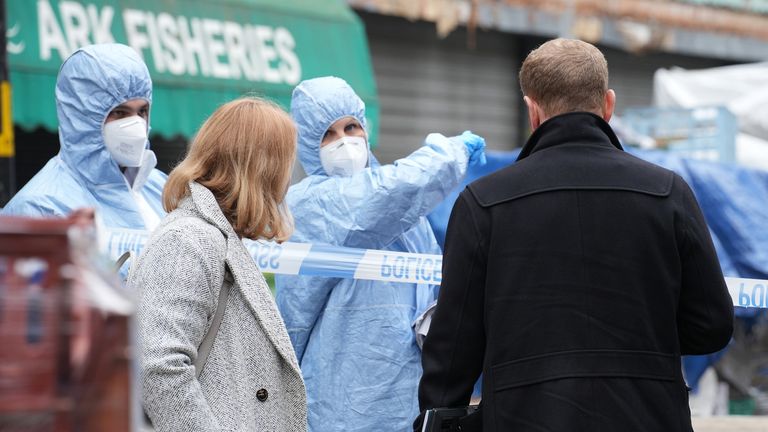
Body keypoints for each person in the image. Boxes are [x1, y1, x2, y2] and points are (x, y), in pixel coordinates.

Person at [416, 38, 734, 432]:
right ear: (609, 105)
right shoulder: (668, 192)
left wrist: (436, 418)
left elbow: (454, 345)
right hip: (649, 415)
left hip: (523, 416)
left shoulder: (483, 202)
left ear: (532, 110)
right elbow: (712, 325)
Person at [275, 76, 486, 431]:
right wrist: (449, 154)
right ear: (308, 145)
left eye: (351, 126)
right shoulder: (310, 204)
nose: (344, 142)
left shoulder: (402, 214)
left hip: (409, 397)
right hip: (341, 403)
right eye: (328, 134)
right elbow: (387, 194)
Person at [129, 97, 306, 431]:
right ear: (262, 168)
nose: (287, 181)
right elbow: (156, 366)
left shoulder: (213, 236)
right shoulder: (190, 239)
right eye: (285, 163)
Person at [1, 43, 166, 260]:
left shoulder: (160, 187)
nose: (135, 125)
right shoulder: (40, 208)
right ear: (81, 116)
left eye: (142, 111)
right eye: (119, 112)